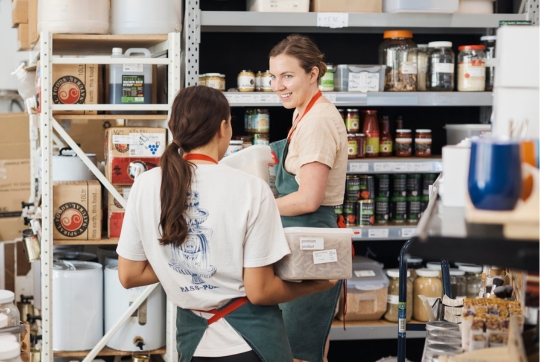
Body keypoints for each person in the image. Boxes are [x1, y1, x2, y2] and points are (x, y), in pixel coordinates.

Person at [116, 86, 337, 362]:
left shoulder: (145, 185)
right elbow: (260, 291)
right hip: (251, 344)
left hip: (192, 346)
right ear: (223, 127)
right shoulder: (251, 189)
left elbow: (129, 275)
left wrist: (183, 267)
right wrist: (315, 286)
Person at [268, 35, 348, 362]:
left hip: (311, 243)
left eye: (288, 76)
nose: (278, 85)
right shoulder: (303, 111)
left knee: (299, 352)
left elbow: (309, 198)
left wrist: (258, 209)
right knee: (303, 349)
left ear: (313, 74)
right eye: (273, 76)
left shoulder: (316, 122)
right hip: (301, 242)